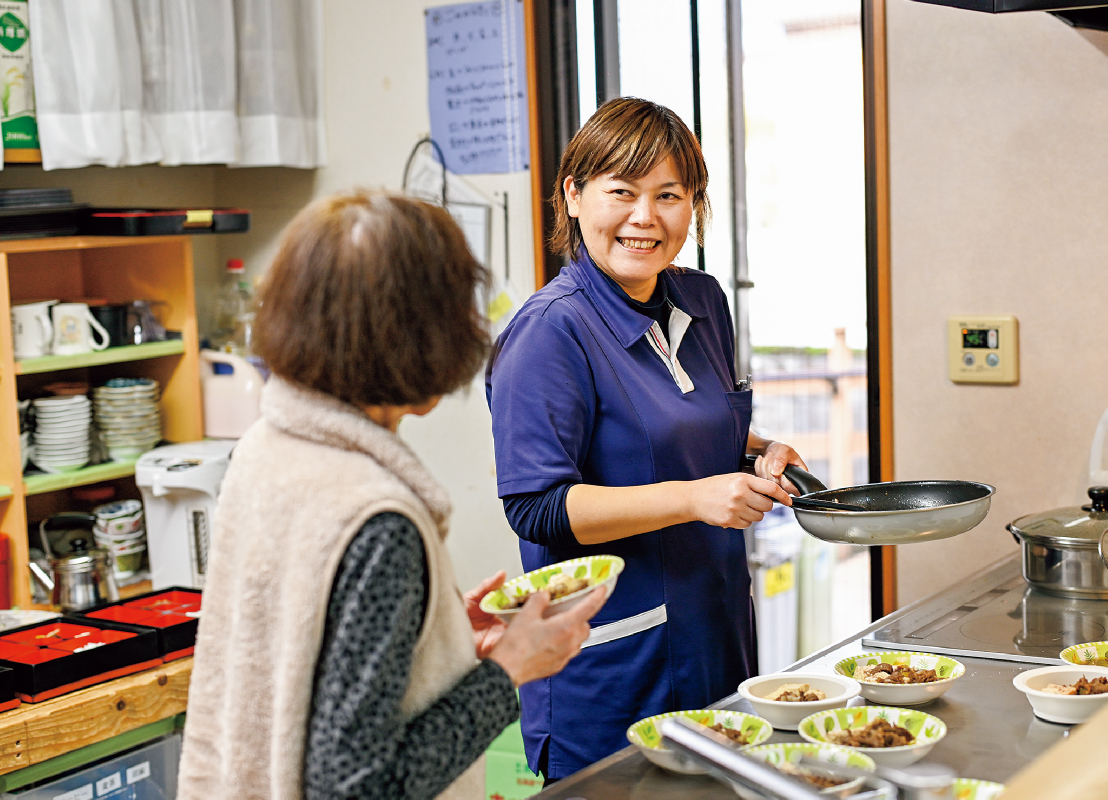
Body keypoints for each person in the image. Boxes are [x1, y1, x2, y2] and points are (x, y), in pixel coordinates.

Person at [177, 190, 608, 800]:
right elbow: (358, 786)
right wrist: (508, 669)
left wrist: (437, 637)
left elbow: (315, 659)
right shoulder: (377, 520)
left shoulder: (264, 449)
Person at [486, 98, 807, 780]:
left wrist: (758, 451)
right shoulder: (550, 331)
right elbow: (537, 507)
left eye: (669, 195)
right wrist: (695, 497)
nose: (645, 217)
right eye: (622, 192)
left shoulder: (702, 300)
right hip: (613, 666)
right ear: (573, 196)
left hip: (716, 641)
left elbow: (686, 421)